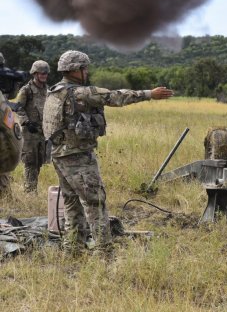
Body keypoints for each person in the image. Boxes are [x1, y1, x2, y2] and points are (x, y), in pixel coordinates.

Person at [42, 50, 173, 253]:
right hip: (78, 156)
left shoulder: (54, 91)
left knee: (71, 201)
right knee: (96, 201)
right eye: (85, 68)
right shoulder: (80, 93)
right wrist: (149, 94)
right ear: (76, 70)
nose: (87, 71)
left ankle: (73, 248)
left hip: (59, 154)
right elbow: (115, 97)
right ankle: (104, 250)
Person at [15, 60, 51, 192]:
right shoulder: (26, 90)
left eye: (46, 73)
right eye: (42, 73)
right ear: (35, 74)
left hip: (43, 131)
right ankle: (30, 191)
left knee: (40, 161)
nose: (44, 75)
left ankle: (32, 188)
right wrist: (26, 122)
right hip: (30, 132)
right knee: (30, 161)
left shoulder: (48, 89)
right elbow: (18, 108)